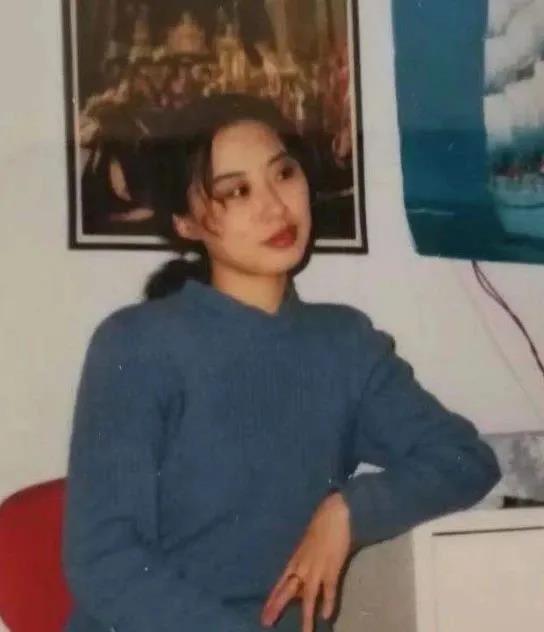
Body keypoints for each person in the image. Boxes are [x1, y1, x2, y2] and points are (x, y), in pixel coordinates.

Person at [63, 94, 500, 632]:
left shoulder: (344, 344)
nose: (275, 207)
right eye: (237, 191)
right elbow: (104, 560)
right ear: (186, 221)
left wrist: (348, 510)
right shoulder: (136, 345)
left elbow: (464, 460)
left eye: (284, 174)